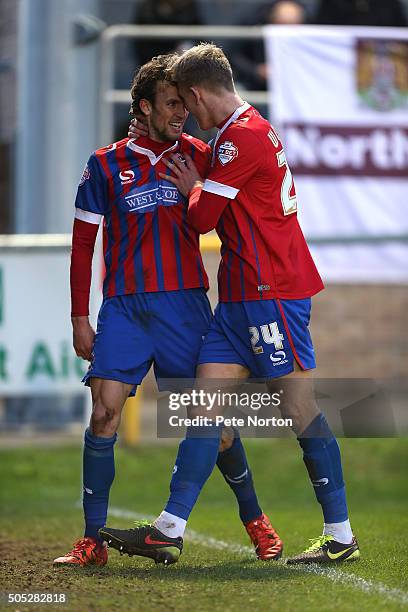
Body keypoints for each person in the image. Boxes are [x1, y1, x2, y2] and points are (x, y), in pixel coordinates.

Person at [100, 43, 360, 565]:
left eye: (185, 102)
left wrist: (194, 188)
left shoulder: (241, 139)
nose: (185, 113)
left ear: (197, 93)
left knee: (297, 407)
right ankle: (169, 529)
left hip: (273, 295)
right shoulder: (236, 134)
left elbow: (200, 219)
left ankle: (341, 535)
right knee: (202, 406)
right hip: (238, 297)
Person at [53, 54, 282, 568]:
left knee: (216, 425)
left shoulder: (203, 155)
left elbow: (236, 211)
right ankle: (93, 540)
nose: (181, 113)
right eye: (172, 104)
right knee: (105, 413)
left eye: (184, 103)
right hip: (125, 311)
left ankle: (257, 523)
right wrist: (78, 316)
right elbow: (82, 245)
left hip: (185, 309)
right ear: (145, 106)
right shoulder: (104, 163)